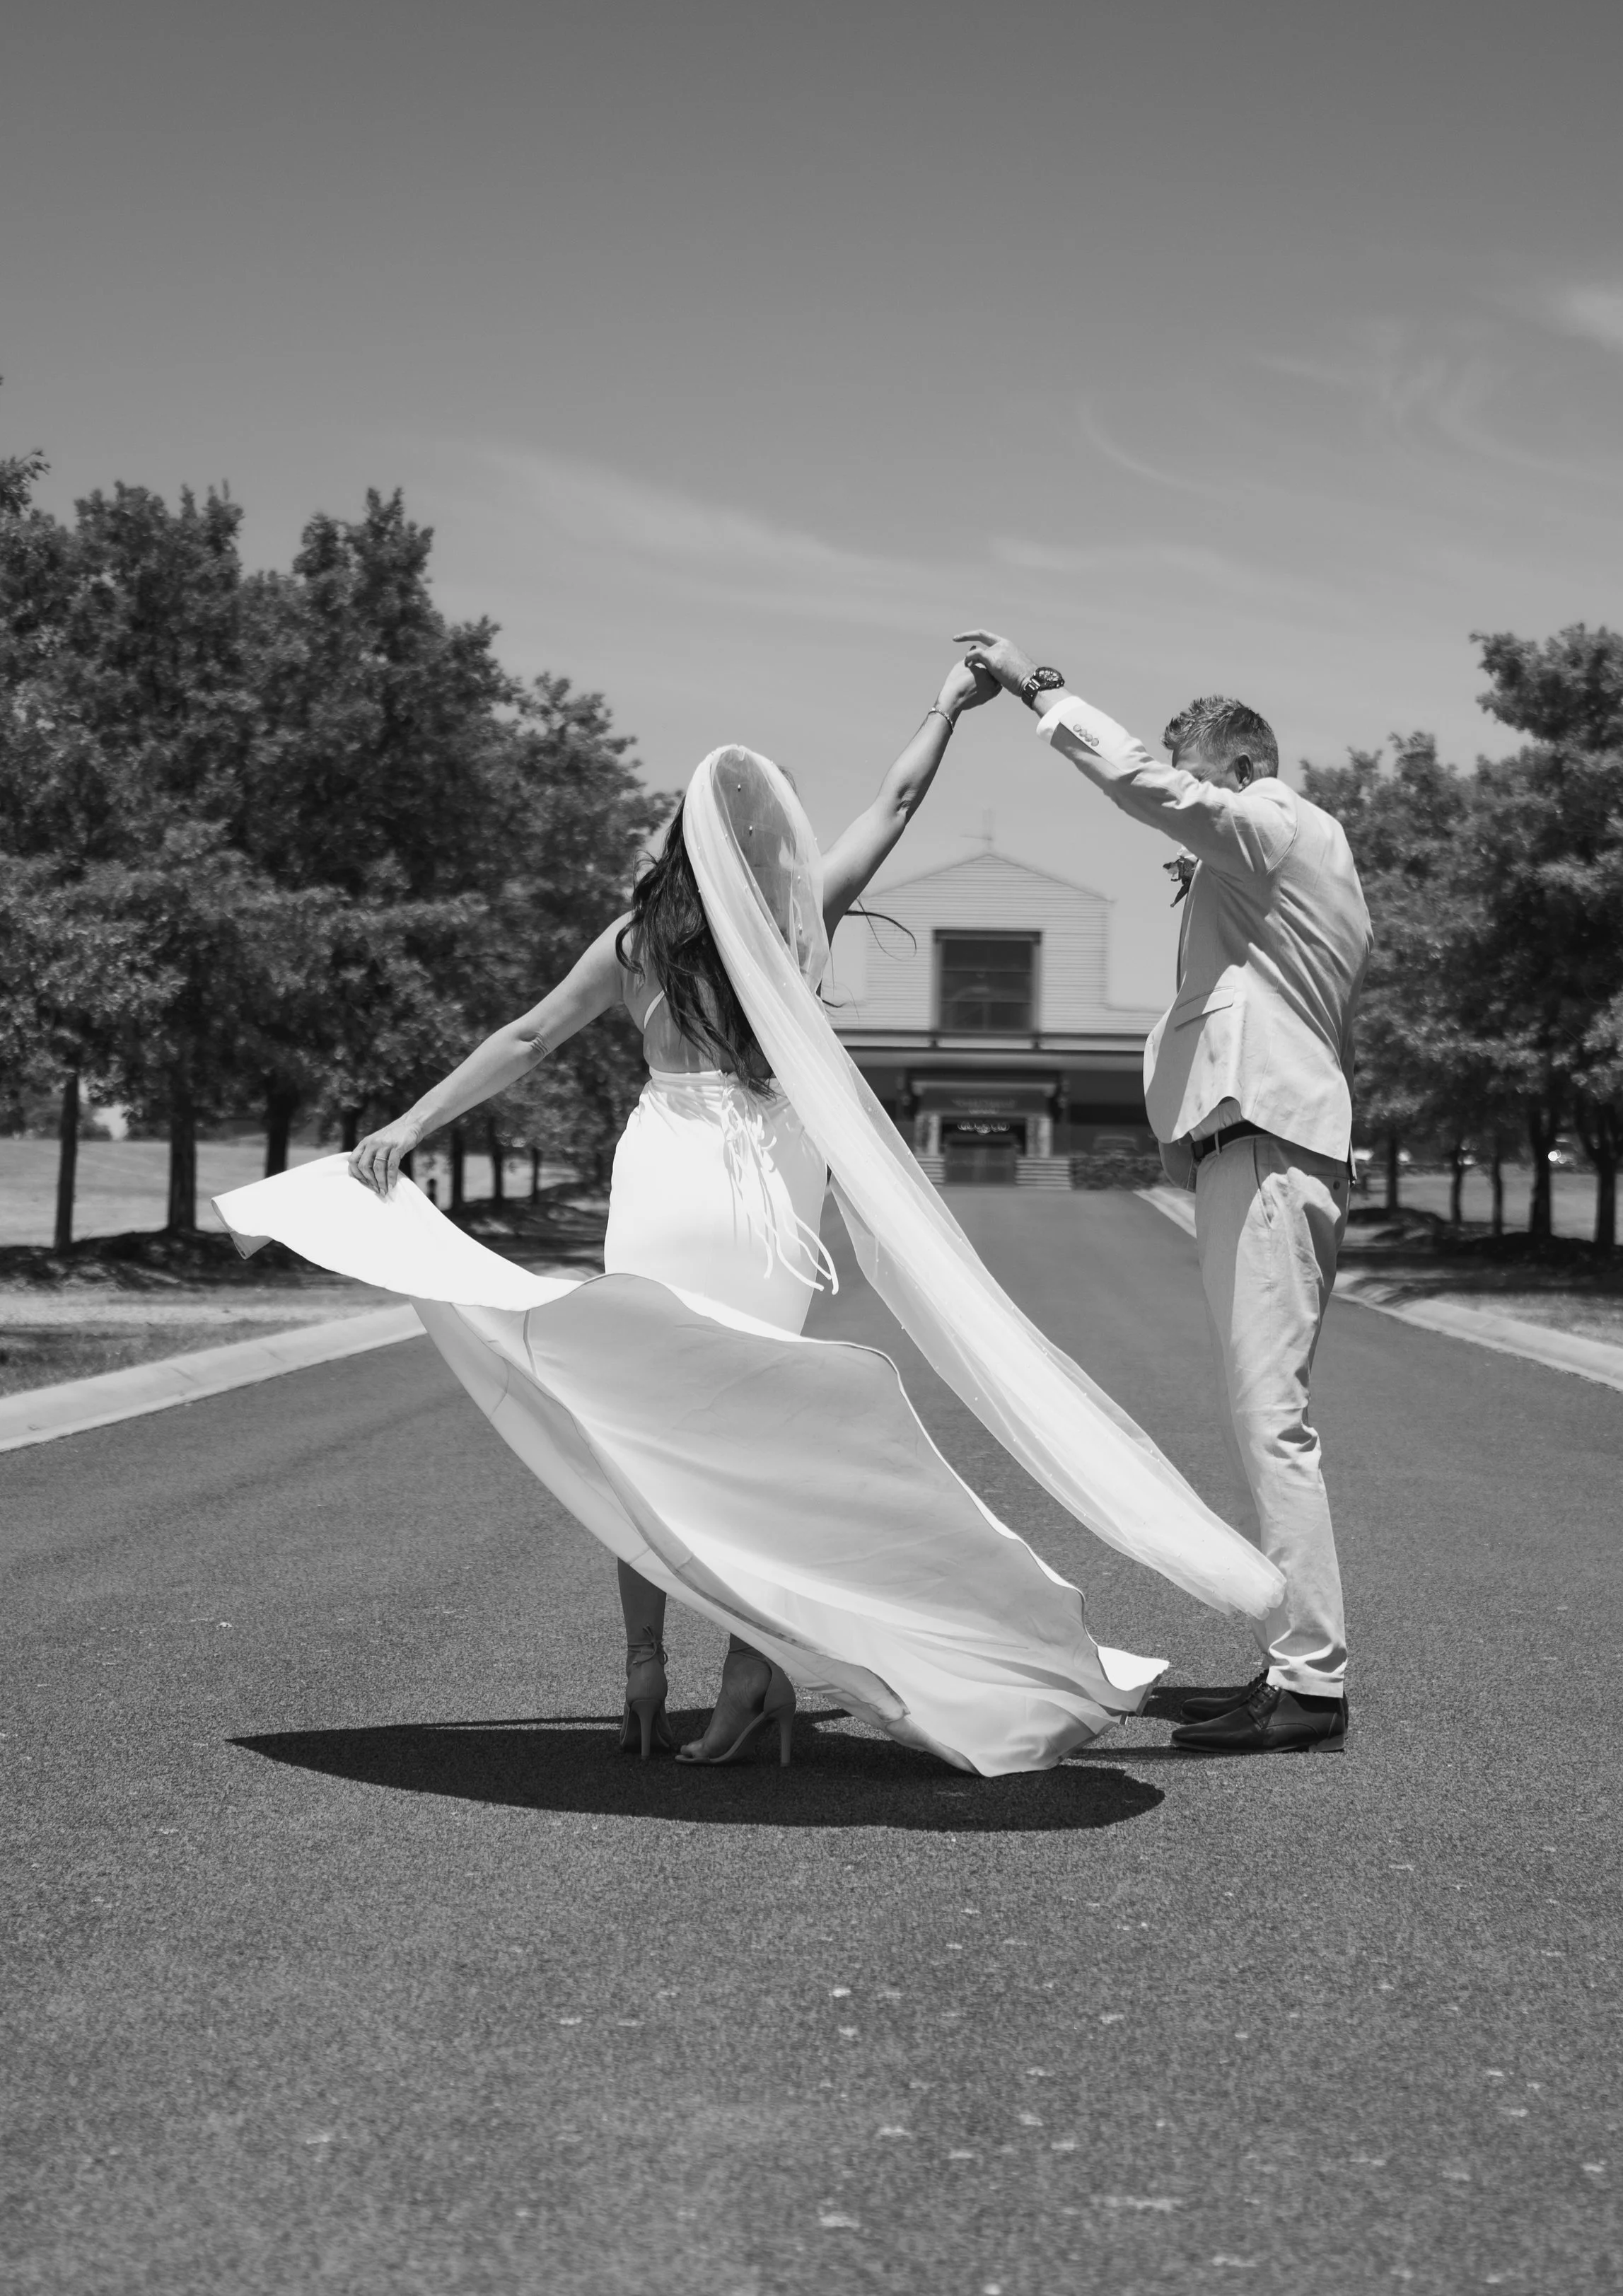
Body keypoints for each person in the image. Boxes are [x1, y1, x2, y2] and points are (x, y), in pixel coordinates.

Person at [216, 680, 1281, 1777]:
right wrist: (949, 706)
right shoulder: (788, 936)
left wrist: (412, 1120)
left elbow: (529, 1035)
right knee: (751, 1438)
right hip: (766, 1193)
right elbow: (901, 799)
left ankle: (642, 1667)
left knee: (637, 1428)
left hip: (665, 1175)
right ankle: (750, 1674)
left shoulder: (634, 944)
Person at [957, 630, 1372, 1756]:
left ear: (1239, 770)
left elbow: (1145, 783)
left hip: (1274, 1149)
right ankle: (1292, 1666)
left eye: (1199, 772)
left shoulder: (1282, 821)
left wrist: (1042, 693)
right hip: (1256, 1147)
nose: (1184, 793)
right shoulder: (1272, 860)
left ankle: (1311, 1687)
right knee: (1262, 1420)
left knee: (1273, 1424)